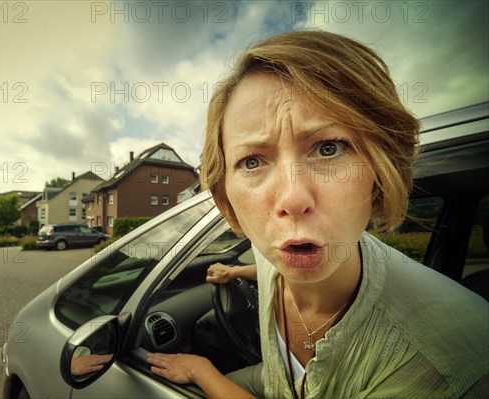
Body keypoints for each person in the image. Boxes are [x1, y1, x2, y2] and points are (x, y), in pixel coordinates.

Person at [146, 30, 489, 398]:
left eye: (328, 148)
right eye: (251, 161)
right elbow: (269, 269)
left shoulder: (446, 365)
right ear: (225, 195)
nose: (293, 199)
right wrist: (233, 271)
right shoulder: (281, 250)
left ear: (380, 172)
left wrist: (202, 370)